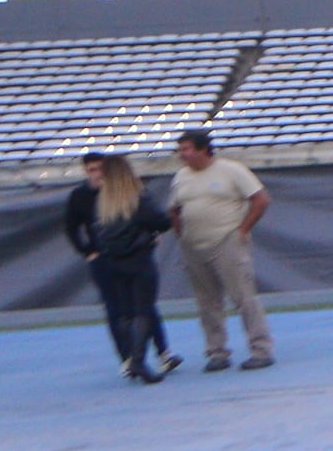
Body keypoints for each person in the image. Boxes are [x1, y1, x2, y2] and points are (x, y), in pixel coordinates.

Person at [169, 126, 272, 370]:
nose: (181, 154)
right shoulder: (181, 176)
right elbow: (174, 208)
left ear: (203, 149)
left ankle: (261, 349)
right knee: (207, 302)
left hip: (226, 240)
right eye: (179, 149)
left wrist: (242, 230)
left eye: (186, 149)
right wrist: (182, 234)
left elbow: (260, 199)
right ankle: (217, 352)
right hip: (194, 244)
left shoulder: (231, 170)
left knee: (243, 297)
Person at [63, 155, 174, 382]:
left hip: (112, 261)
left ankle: (129, 357)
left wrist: (92, 251)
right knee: (143, 310)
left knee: (122, 312)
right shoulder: (135, 198)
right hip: (138, 259)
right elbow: (161, 221)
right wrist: (153, 232)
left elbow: (95, 231)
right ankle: (140, 360)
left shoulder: (102, 202)